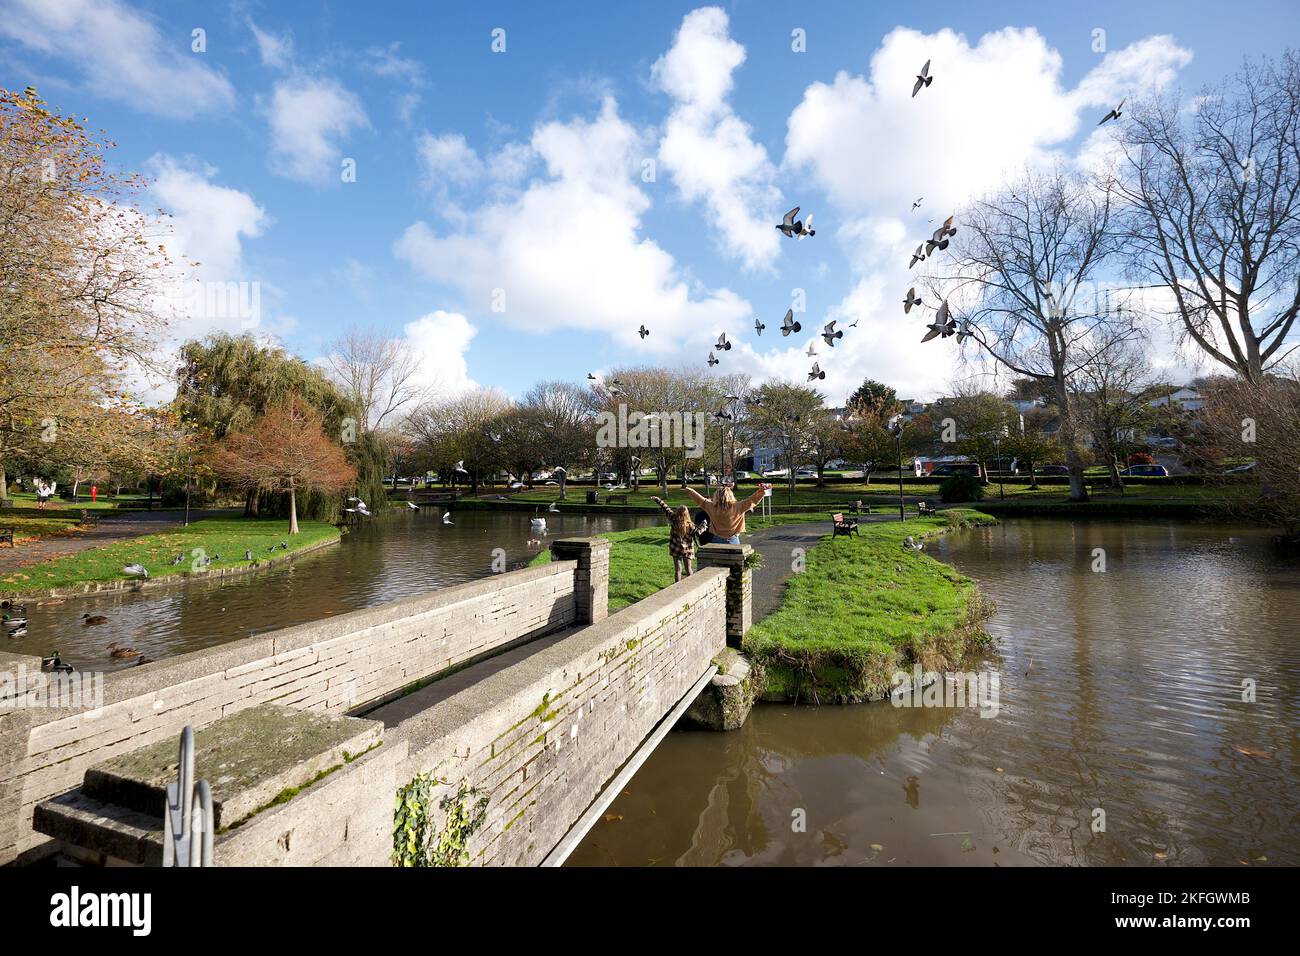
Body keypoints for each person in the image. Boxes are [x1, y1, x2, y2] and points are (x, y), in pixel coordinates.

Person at [683, 481, 771, 545]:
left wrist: (689, 490)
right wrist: (761, 490)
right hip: (733, 540)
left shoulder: (711, 507)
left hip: (716, 540)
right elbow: (752, 500)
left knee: (718, 567)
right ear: (731, 495)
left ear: (716, 496)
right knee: (736, 566)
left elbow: (700, 500)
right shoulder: (738, 506)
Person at [649, 496, 708, 582]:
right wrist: (704, 524)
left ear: (677, 512)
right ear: (687, 514)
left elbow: (666, 508)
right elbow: (699, 532)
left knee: (678, 570)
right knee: (688, 569)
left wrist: (657, 499)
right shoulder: (690, 526)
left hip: (675, 549)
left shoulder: (673, 519)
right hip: (687, 550)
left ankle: (677, 587)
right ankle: (690, 586)